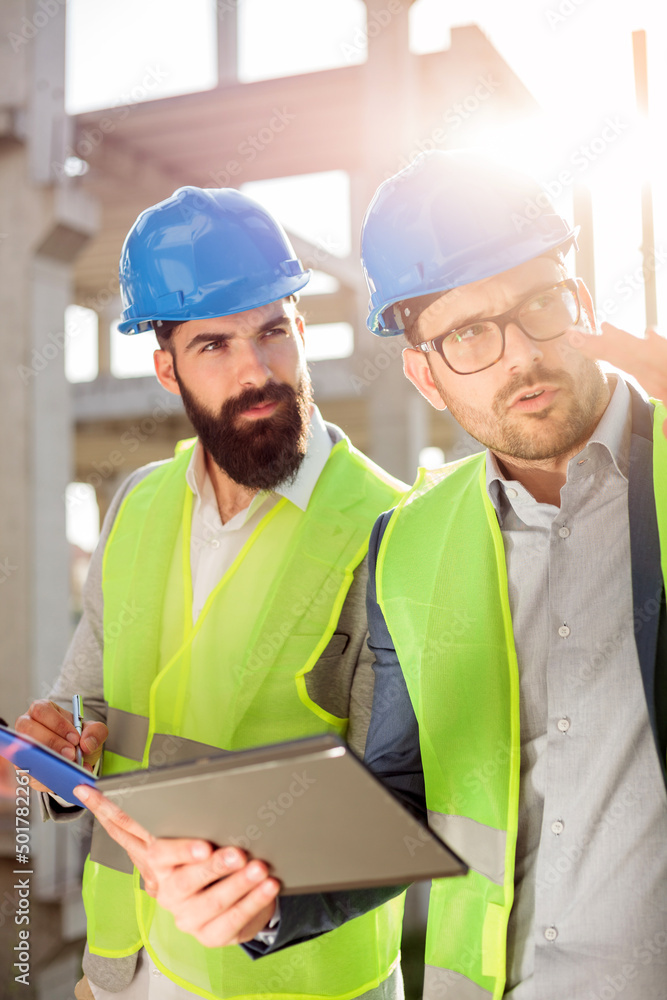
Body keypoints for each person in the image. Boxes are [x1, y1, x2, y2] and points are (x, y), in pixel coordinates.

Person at [78, 151, 667, 1000]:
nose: (520, 356)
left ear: (580, 300)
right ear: (423, 373)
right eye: (467, 333)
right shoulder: (413, 539)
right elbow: (400, 791)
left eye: (540, 304)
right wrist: (265, 896)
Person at [15, 186, 408, 1000]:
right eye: (214, 345)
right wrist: (62, 751)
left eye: (271, 333)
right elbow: (88, 708)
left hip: (297, 982)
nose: (255, 371)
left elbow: (396, 808)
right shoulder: (139, 504)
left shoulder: (391, 526)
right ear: (166, 369)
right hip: (125, 965)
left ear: (300, 329)